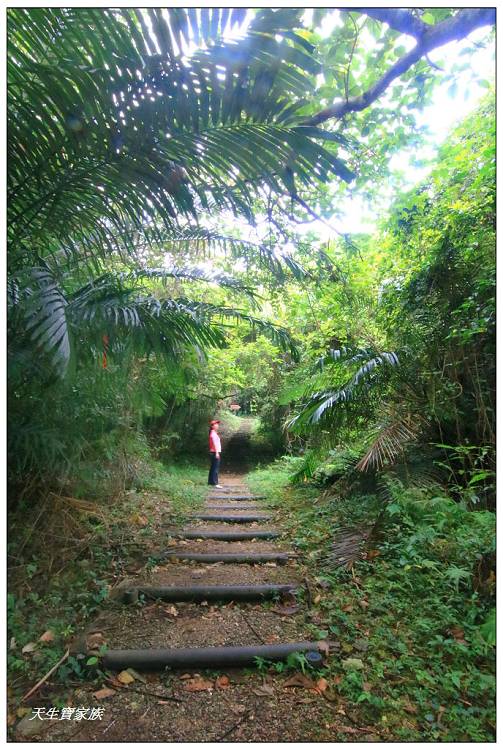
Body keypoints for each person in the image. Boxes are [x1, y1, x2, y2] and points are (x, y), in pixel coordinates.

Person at [208, 420, 222, 487]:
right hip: (214, 452)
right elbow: (214, 444)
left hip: (213, 452)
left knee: (213, 467)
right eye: (215, 424)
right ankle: (215, 483)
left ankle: (210, 482)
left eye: (217, 424)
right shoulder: (213, 433)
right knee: (215, 468)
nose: (217, 425)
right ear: (212, 426)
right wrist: (217, 453)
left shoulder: (213, 433)